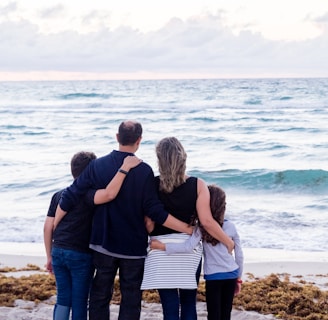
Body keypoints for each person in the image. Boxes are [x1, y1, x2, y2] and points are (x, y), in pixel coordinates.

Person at [53, 121, 193, 320]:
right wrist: (187, 229)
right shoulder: (144, 171)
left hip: (102, 243)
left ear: (117, 137)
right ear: (139, 140)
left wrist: (56, 225)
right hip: (133, 247)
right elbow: (155, 211)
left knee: (100, 295)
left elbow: (71, 195)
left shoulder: (97, 165)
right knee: (131, 298)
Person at [141, 137, 235, 320]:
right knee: (188, 302)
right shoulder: (198, 184)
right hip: (189, 250)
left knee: (169, 305)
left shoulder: (151, 184)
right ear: (183, 158)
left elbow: (148, 224)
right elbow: (207, 221)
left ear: (160, 160)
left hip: (161, 250)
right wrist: (228, 241)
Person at [44, 151, 141, 320]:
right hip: (81, 254)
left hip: (58, 250)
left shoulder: (59, 194)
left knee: (63, 299)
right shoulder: (89, 195)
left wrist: (49, 256)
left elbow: (47, 227)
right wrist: (125, 168)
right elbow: (110, 193)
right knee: (80, 300)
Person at [151, 184, 244, 320]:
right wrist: (239, 278)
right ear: (223, 205)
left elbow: (187, 247)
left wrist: (163, 247)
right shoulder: (231, 226)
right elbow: (239, 255)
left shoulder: (201, 228)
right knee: (226, 313)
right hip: (231, 275)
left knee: (213, 314)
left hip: (213, 277)